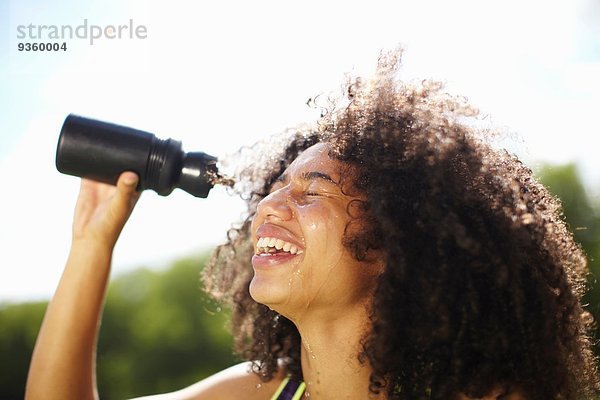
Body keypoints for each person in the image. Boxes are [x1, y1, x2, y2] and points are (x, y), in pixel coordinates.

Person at [26, 49, 600, 400]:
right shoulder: (263, 394)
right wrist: (91, 244)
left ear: (396, 244)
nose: (268, 208)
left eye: (312, 192)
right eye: (276, 189)